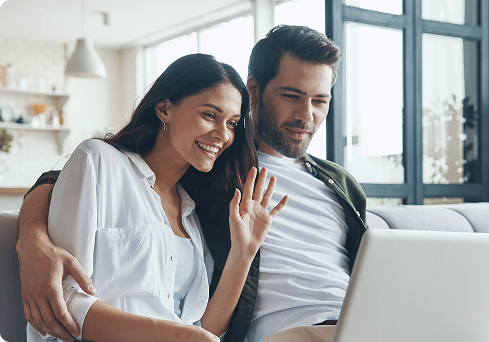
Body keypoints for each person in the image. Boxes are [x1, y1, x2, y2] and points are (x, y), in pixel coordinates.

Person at [17, 25, 367, 342]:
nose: (307, 115)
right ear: (256, 91)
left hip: (362, 323)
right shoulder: (220, 178)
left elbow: (199, 326)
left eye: (320, 100)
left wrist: (245, 250)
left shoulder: (339, 185)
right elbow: (62, 180)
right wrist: (32, 237)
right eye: (292, 95)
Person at [20, 53, 288, 342]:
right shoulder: (99, 161)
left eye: (233, 123)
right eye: (210, 115)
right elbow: (60, 300)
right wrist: (176, 336)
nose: (222, 134)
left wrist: (243, 252)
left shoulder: (191, 214)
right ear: (164, 110)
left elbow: (202, 328)